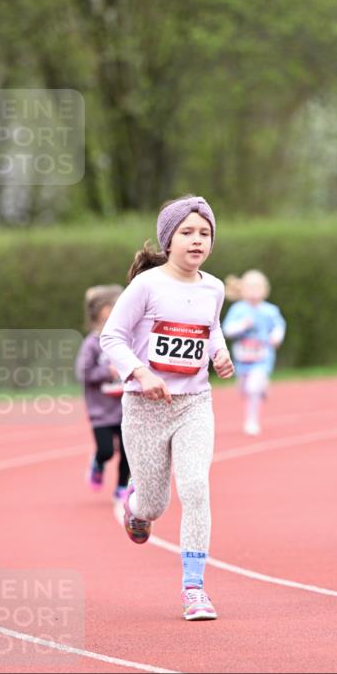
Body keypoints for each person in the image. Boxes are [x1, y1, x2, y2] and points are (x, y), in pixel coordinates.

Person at [100, 196, 234, 621]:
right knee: (155, 505)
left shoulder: (214, 287)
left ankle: (194, 587)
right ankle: (136, 506)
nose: (198, 241)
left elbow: (210, 327)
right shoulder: (146, 286)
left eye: (205, 233)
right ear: (169, 239)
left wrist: (220, 353)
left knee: (195, 489)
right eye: (188, 232)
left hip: (194, 403)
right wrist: (142, 374)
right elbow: (112, 338)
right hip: (145, 408)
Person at [75, 285, 130, 504]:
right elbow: (84, 372)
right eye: (114, 306)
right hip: (101, 411)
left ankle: (121, 487)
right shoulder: (92, 344)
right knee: (107, 450)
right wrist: (107, 372)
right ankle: (98, 463)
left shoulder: (126, 338)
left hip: (126, 408)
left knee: (128, 452)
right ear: (102, 311)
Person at [222, 270, 286, 435]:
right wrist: (242, 325)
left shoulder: (270, 310)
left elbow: (279, 326)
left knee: (252, 387)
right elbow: (227, 330)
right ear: (242, 290)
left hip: (262, 356)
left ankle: (252, 420)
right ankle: (262, 386)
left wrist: (276, 337)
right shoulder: (238, 309)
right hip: (242, 358)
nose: (254, 292)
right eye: (250, 288)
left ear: (265, 290)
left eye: (258, 288)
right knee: (244, 389)